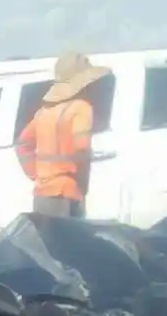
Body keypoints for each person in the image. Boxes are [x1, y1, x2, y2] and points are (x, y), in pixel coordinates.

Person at [16, 51, 106, 217]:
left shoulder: (43, 112)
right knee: (70, 242)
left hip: (42, 195)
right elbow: (82, 150)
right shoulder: (81, 108)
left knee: (49, 242)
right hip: (67, 193)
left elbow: (22, 145)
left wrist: (36, 174)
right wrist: (83, 185)